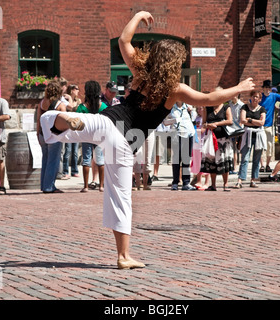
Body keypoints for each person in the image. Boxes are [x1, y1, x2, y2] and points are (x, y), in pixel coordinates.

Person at [40, 11, 255, 269]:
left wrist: (139, 15)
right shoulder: (175, 89)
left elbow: (122, 41)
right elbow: (209, 99)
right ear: (174, 63)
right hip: (125, 142)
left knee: (60, 121)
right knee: (120, 196)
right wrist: (240, 88)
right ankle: (123, 256)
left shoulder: (140, 73)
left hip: (109, 121)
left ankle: (64, 120)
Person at [76, 80, 107, 193]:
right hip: (99, 136)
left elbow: (77, 122)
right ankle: (101, 186)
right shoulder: (103, 106)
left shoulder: (82, 107)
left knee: (86, 160)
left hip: (86, 135)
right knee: (100, 160)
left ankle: (85, 186)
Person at [37, 81, 67, 193]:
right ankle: (49, 186)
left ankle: (43, 185)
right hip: (55, 135)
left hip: (42, 134)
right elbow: (65, 121)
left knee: (45, 159)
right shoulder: (60, 105)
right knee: (53, 161)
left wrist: (37, 133)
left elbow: (38, 120)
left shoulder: (41, 103)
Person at [200, 95, 234, 191]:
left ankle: (225, 184)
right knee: (212, 161)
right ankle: (213, 185)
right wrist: (208, 125)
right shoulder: (207, 108)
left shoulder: (225, 107)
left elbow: (230, 120)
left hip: (223, 139)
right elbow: (203, 123)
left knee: (224, 161)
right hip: (211, 139)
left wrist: (216, 124)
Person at [235, 89, 266, 189]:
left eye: (257, 97)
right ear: (251, 98)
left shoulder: (262, 109)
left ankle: (253, 180)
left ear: (260, 99)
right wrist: (254, 121)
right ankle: (240, 180)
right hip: (247, 134)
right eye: (253, 96)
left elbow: (262, 123)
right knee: (245, 158)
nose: (255, 98)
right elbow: (243, 120)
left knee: (256, 159)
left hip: (258, 135)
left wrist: (251, 120)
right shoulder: (245, 107)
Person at [166, 101, 196, 191]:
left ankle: (186, 183)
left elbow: (194, 119)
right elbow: (164, 122)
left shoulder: (188, 106)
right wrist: (175, 120)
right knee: (176, 159)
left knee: (186, 159)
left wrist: (192, 111)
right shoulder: (170, 107)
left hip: (189, 134)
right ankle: (175, 182)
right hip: (177, 135)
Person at [259, 80, 280, 172]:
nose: (268, 89)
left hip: (269, 125)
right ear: (263, 88)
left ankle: (268, 164)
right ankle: (262, 165)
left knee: (269, 145)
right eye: (266, 88)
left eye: (269, 88)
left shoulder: (274, 96)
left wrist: (279, 108)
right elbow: (251, 102)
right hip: (260, 125)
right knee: (260, 146)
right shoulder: (260, 97)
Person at [62, 84, 82, 179]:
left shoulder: (78, 101)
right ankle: (65, 171)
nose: (78, 90)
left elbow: (77, 109)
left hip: (76, 127)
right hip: (68, 128)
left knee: (75, 151)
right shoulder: (65, 101)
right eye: (76, 89)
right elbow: (71, 108)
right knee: (68, 150)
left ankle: (74, 170)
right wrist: (69, 98)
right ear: (71, 90)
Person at [228, 94, 243, 174]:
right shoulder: (229, 105)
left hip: (239, 130)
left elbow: (241, 119)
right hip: (231, 129)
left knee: (237, 149)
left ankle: (236, 167)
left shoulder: (241, 105)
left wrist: (238, 130)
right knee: (232, 149)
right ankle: (233, 166)